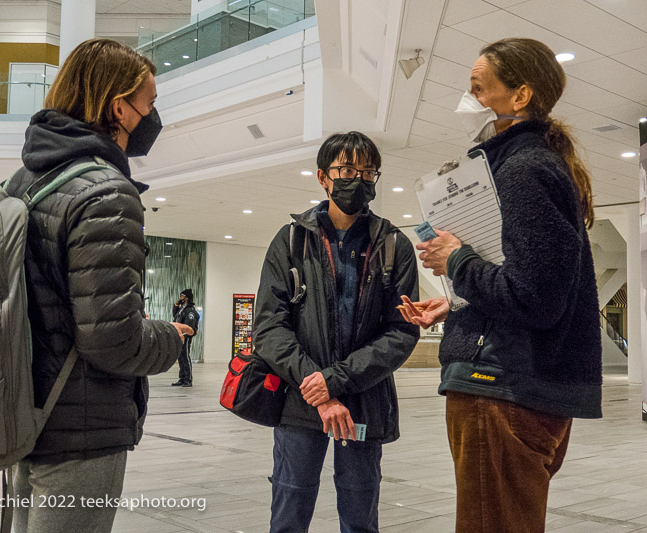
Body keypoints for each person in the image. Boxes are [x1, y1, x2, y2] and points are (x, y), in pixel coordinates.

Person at [399, 38, 602, 533]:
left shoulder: (523, 170)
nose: (469, 102)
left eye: (478, 88)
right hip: (513, 386)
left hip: (502, 389)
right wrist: (457, 306)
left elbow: (536, 298)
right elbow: (533, 280)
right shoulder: (526, 166)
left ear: (520, 96)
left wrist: (457, 259)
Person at [5, 38, 192, 533]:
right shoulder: (106, 192)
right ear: (119, 109)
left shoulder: (21, 181)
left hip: (20, 411)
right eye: (148, 103)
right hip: (79, 427)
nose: (153, 116)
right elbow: (112, 341)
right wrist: (171, 336)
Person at [253, 131, 420, 533]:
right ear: (323, 177)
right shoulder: (291, 241)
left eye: (367, 172)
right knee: (289, 510)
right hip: (300, 401)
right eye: (346, 169)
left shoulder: (394, 245)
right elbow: (269, 327)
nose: (357, 180)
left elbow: (401, 332)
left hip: (364, 400)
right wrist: (317, 386)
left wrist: (335, 382)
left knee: (361, 514)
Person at [171, 288, 200, 386]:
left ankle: (188, 379)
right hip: (179, 336)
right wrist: (175, 307)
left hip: (185, 337)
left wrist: (186, 334)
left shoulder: (190, 311)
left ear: (187, 298)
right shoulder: (181, 308)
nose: (180, 298)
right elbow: (176, 317)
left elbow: (189, 325)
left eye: (182, 296)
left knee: (185, 357)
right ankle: (182, 378)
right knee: (180, 357)